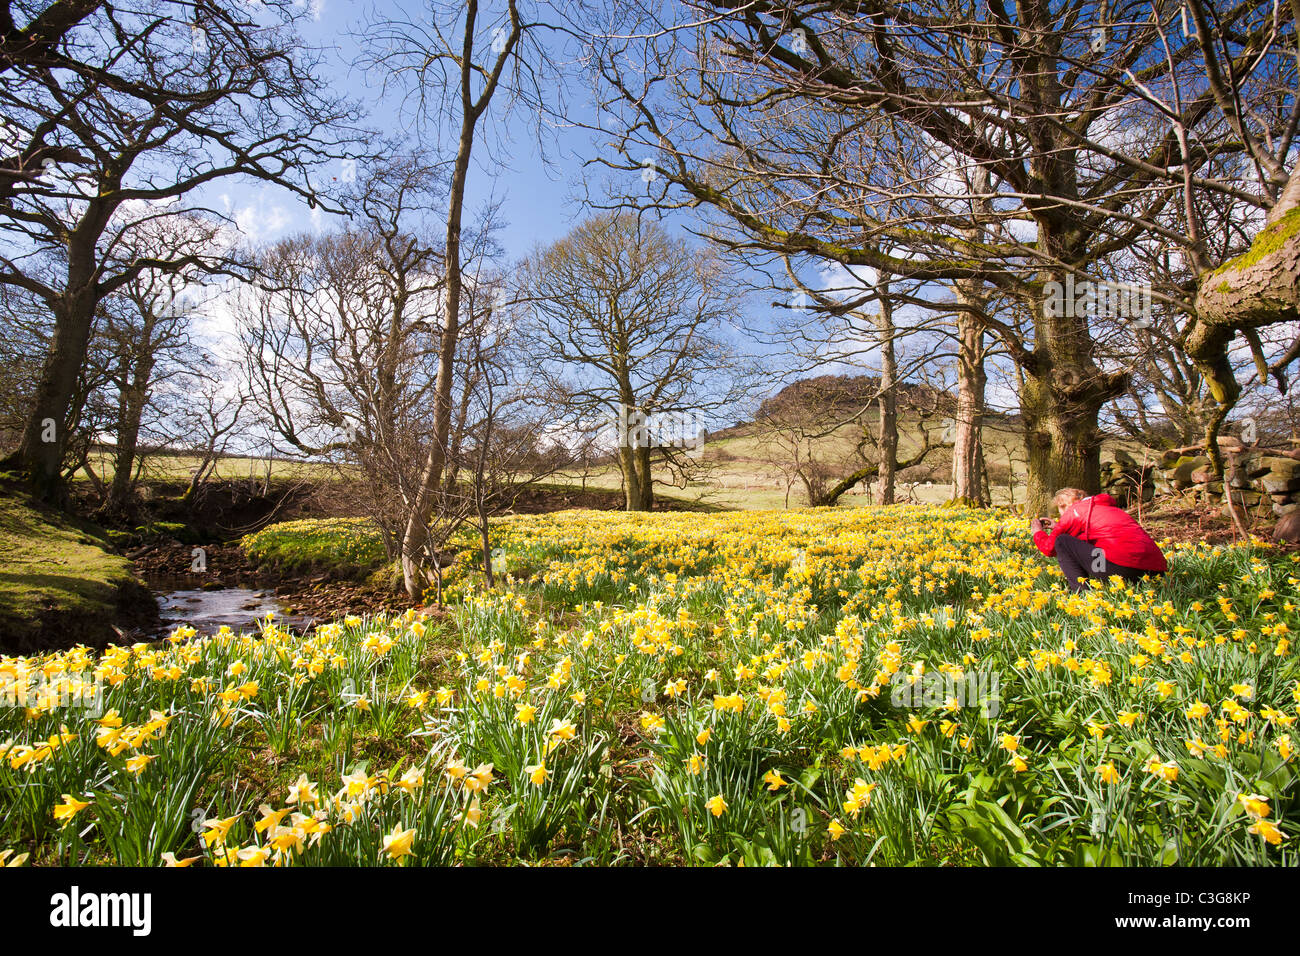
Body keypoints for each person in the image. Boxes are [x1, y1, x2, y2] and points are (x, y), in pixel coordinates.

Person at [1030, 488, 1167, 593]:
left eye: (1060, 510)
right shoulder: (1107, 508)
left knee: (1062, 541)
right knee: (1070, 541)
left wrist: (1038, 532)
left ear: (1064, 505)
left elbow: (1049, 548)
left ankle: (1081, 595)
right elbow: (1091, 539)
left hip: (1122, 571)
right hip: (1155, 572)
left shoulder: (1074, 512)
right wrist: (1057, 526)